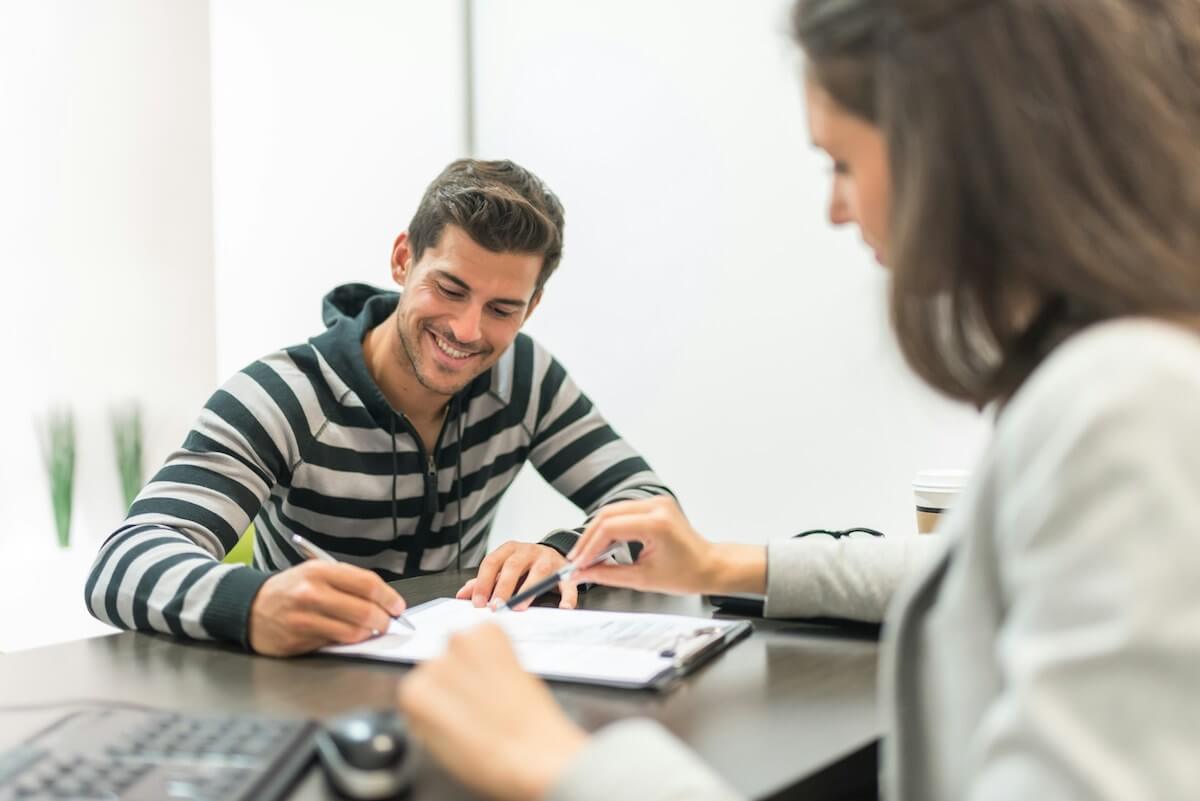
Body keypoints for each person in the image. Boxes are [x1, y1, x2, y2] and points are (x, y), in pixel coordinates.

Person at [396, 1, 1200, 799]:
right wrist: (721, 562)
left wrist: (566, 764)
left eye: (842, 163)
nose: (836, 208)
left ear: (956, 152)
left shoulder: (1126, 404)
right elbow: (962, 569)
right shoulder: (1116, 378)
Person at [84, 159, 671, 657]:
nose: (467, 330)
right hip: (300, 689)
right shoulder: (285, 394)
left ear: (532, 306)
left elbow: (655, 513)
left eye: (502, 309)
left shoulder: (526, 379)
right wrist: (253, 603)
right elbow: (123, 561)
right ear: (402, 260)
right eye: (450, 288)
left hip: (451, 682)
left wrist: (561, 554)